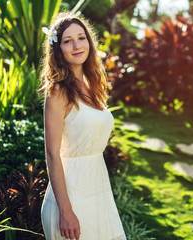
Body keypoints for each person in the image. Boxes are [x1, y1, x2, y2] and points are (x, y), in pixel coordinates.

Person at [38, 12, 126, 240]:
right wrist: (66, 212)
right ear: (58, 50)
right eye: (67, 41)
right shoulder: (57, 91)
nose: (77, 45)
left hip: (98, 190)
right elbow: (51, 153)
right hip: (71, 197)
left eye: (81, 37)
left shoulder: (92, 85)